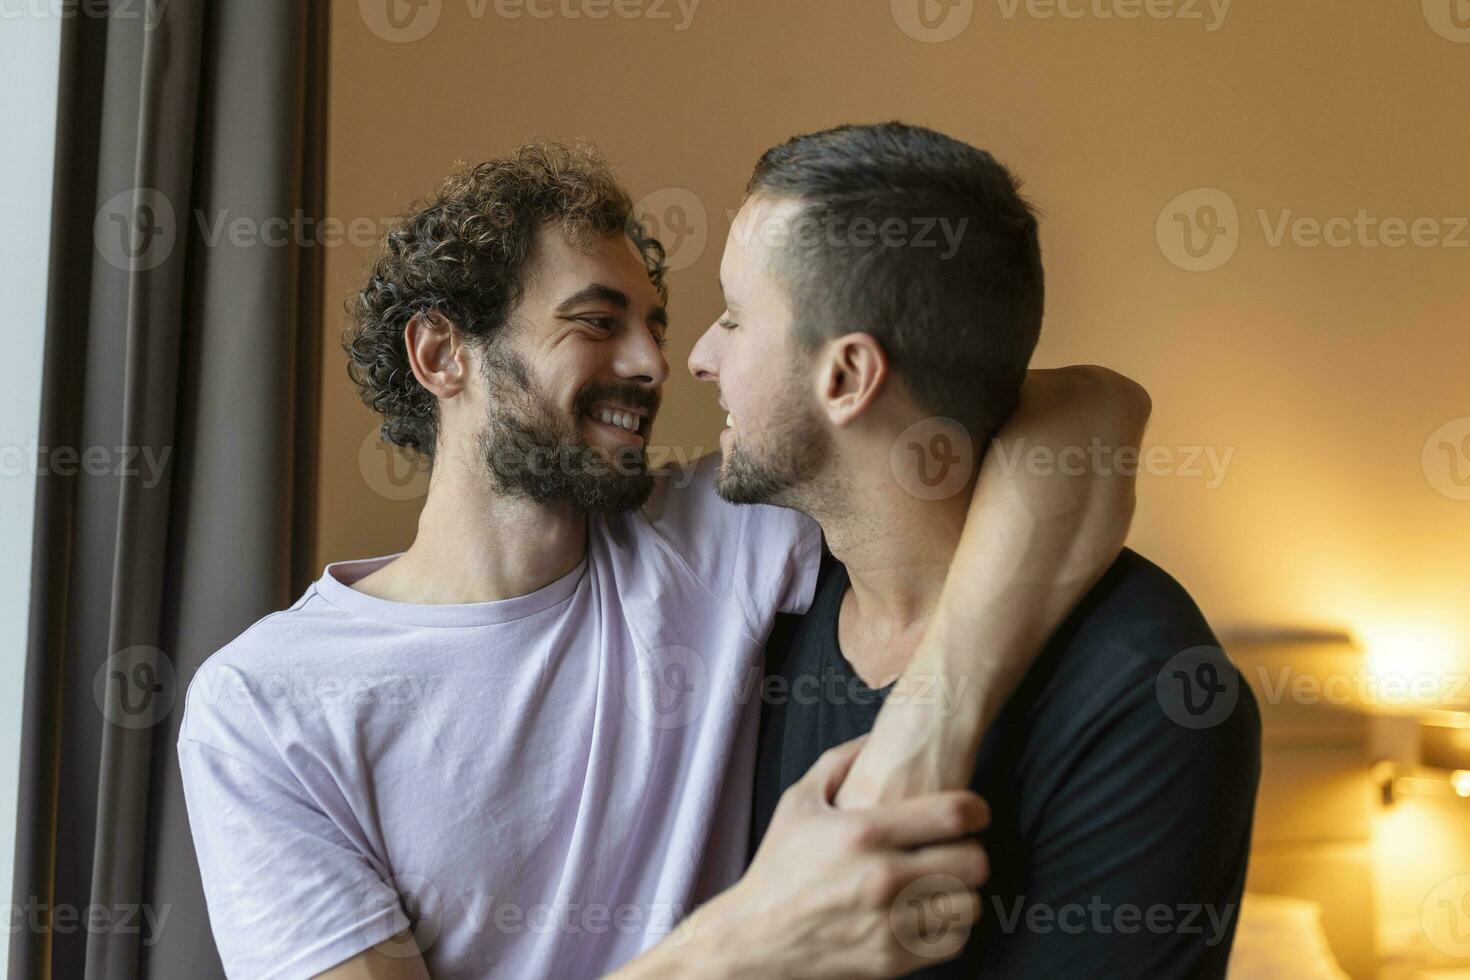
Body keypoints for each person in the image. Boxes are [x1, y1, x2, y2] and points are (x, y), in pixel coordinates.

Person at [177, 142, 1146, 980]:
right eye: (597, 322)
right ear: (442, 354)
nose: (651, 364)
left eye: (657, 325)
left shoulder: (712, 531)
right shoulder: (268, 703)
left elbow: (1091, 409)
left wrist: (926, 734)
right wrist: (746, 939)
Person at [692, 122, 1262, 978]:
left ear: (846, 377)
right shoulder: (762, 588)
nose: (699, 357)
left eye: (734, 319)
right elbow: (1092, 405)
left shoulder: (1147, 691)